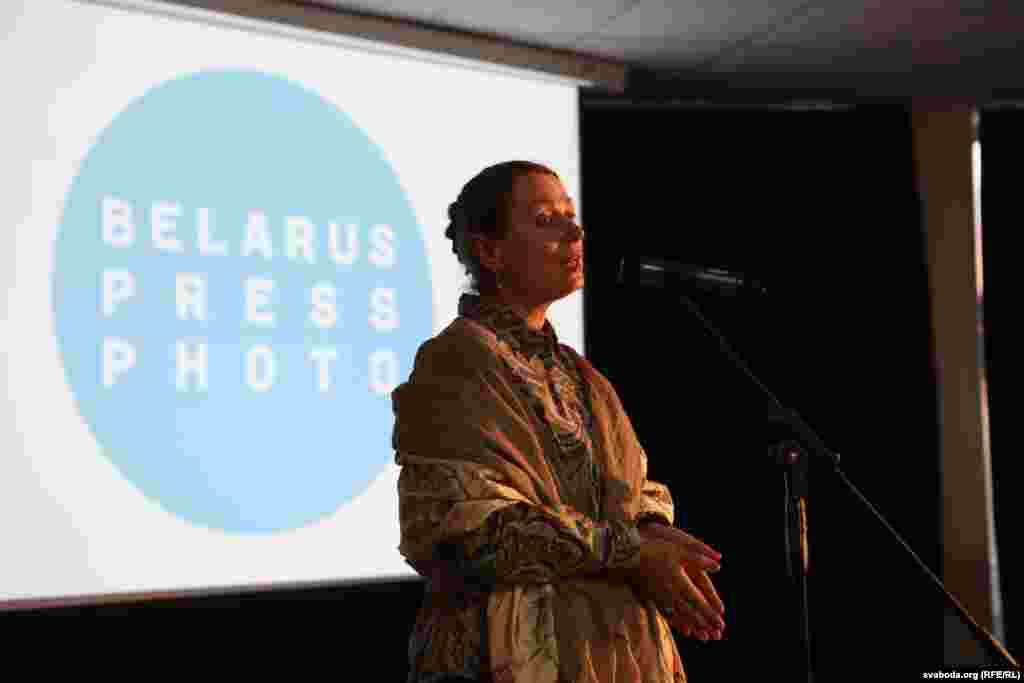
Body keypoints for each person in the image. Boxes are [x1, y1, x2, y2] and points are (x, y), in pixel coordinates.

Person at [391, 161, 726, 683]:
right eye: (546, 219)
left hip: (610, 650)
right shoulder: (454, 363)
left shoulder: (581, 374)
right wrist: (630, 551)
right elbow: (462, 529)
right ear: (489, 251)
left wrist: (655, 536)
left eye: (572, 216)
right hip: (506, 653)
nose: (574, 233)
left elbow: (635, 489)